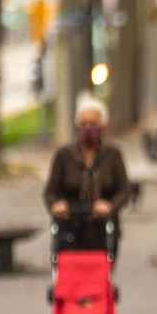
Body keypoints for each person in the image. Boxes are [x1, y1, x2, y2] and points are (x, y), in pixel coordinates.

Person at [42, 98, 133, 260]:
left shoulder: (113, 154)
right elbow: (50, 192)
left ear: (102, 126)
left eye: (93, 123)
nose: (88, 128)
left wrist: (110, 206)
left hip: (102, 228)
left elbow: (125, 190)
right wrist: (55, 205)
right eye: (83, 124)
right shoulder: (64, 155)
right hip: (69, 225)